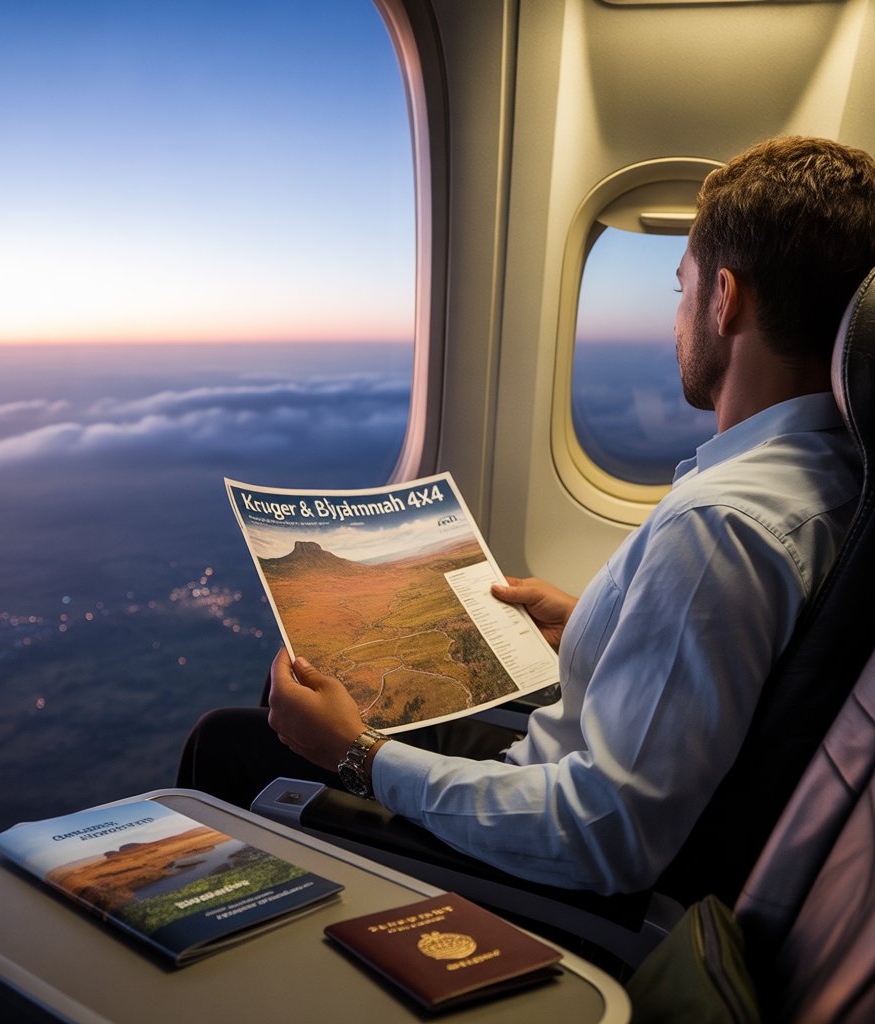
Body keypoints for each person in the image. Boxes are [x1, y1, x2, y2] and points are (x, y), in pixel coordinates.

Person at [178, 135, 875, 895]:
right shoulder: (835, 478)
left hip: (559, 859)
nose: (677, 318)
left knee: (232, 748)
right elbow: (716, 676)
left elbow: (606, 834)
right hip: (573, 775)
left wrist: (358, 756)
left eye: (682, 289)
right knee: (292, 703)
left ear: (724, 297)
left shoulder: (722, 528)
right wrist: (592, 624)